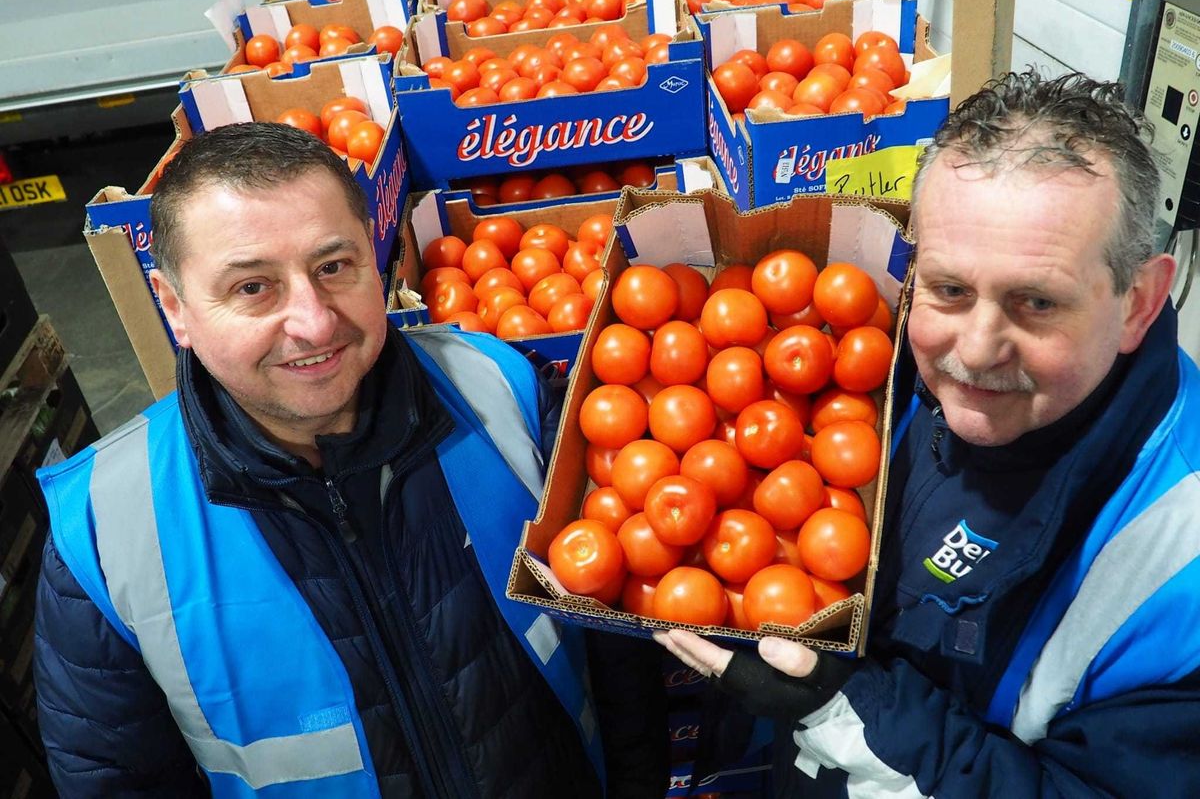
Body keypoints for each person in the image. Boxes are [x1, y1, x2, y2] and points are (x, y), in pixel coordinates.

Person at [33, 122, 666, 797]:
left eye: (333, 267)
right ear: (174, 308)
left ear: (374, 254)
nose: (313, 321)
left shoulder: (501, 391)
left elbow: (616, 656)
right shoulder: (107, 534)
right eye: (253, 288)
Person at [656, 70, 1200, 796]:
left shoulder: (1178, 562)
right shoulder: (880, 362)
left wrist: (842, 707)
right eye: (949, 289)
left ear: (1138, 303)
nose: (974, 350)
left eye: (1035, 302)